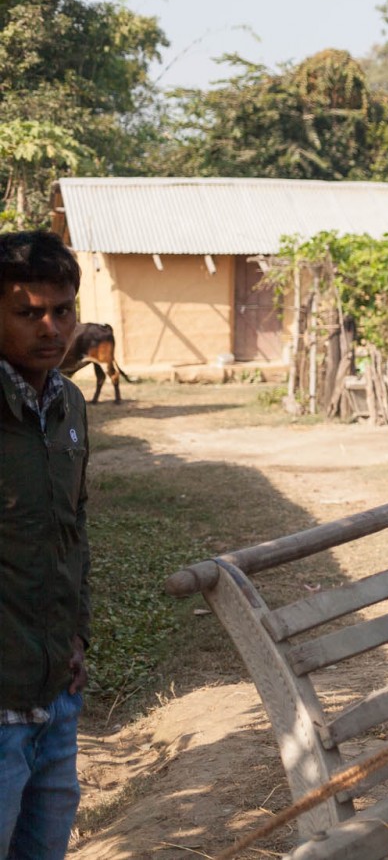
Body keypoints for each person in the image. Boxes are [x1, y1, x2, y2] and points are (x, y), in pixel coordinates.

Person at [0, 231, 90, 860]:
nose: (50, 327)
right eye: (27, 313)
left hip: (56, 692)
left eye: (61, 310)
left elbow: (74, 529)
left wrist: (77, 635)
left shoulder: (71, 403)